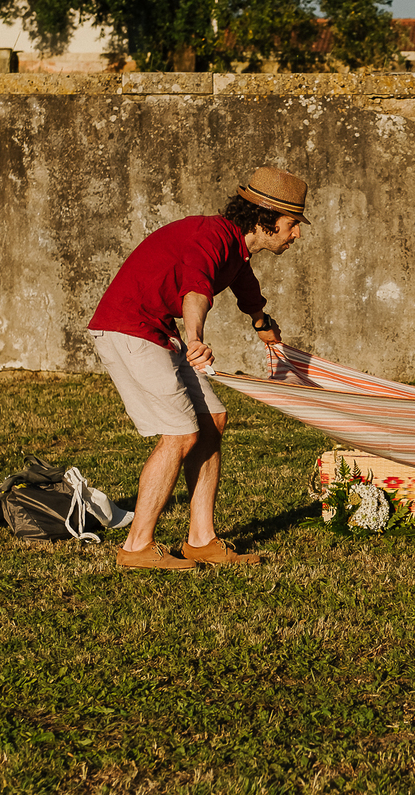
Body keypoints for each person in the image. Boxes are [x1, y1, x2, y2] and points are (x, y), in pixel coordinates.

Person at [88, 166, 309, 570]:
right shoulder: (211, 236)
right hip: (127, 327)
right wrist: (194, 339)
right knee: (180, 433)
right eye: (292, 223)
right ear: (266, 218)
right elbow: (195, 289)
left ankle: (201, 540)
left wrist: (261, 321)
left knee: (212, 420)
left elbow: (244, 283)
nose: (296, 234)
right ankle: (136, 547)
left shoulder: (235, 249)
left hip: (155, 329)